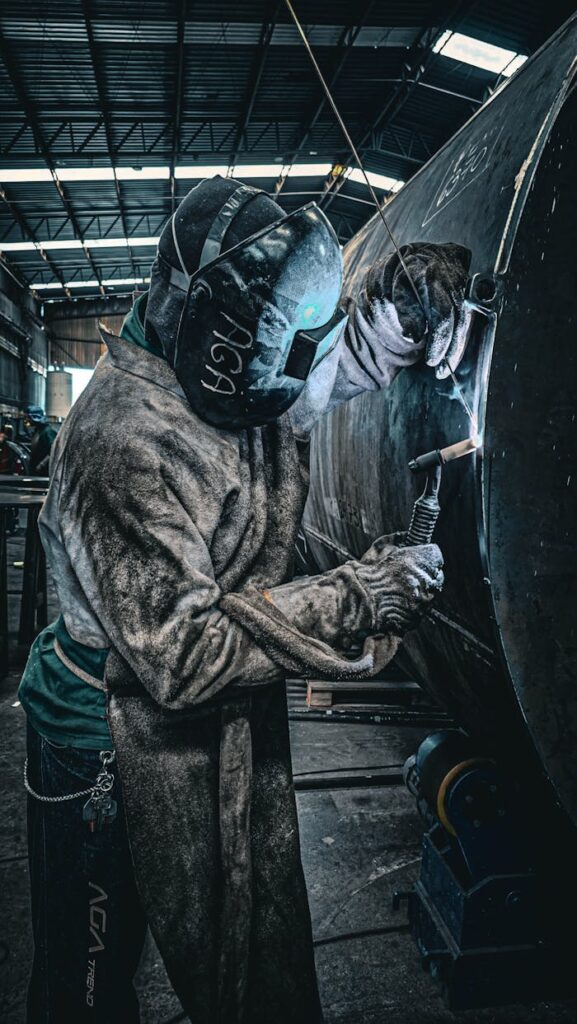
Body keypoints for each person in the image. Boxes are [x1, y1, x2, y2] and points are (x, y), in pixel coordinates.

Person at [19, 177, 470, 1024]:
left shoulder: (238, 372)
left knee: (245, 954)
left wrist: (404, 301)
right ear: (207, 329)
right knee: (87, 983)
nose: (296, 386)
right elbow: (182, 657)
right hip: (106, 744)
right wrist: (354, 593)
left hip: (214, 715)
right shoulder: (123, 442)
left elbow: (327, 368)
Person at [23, 405, 57, 476]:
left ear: (34, 417)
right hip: (36, 473)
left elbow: (53, 452)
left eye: (27, 417)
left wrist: (41, 465)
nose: (26, 420)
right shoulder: (38, 431)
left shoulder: (48, 432)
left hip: (43, 474)